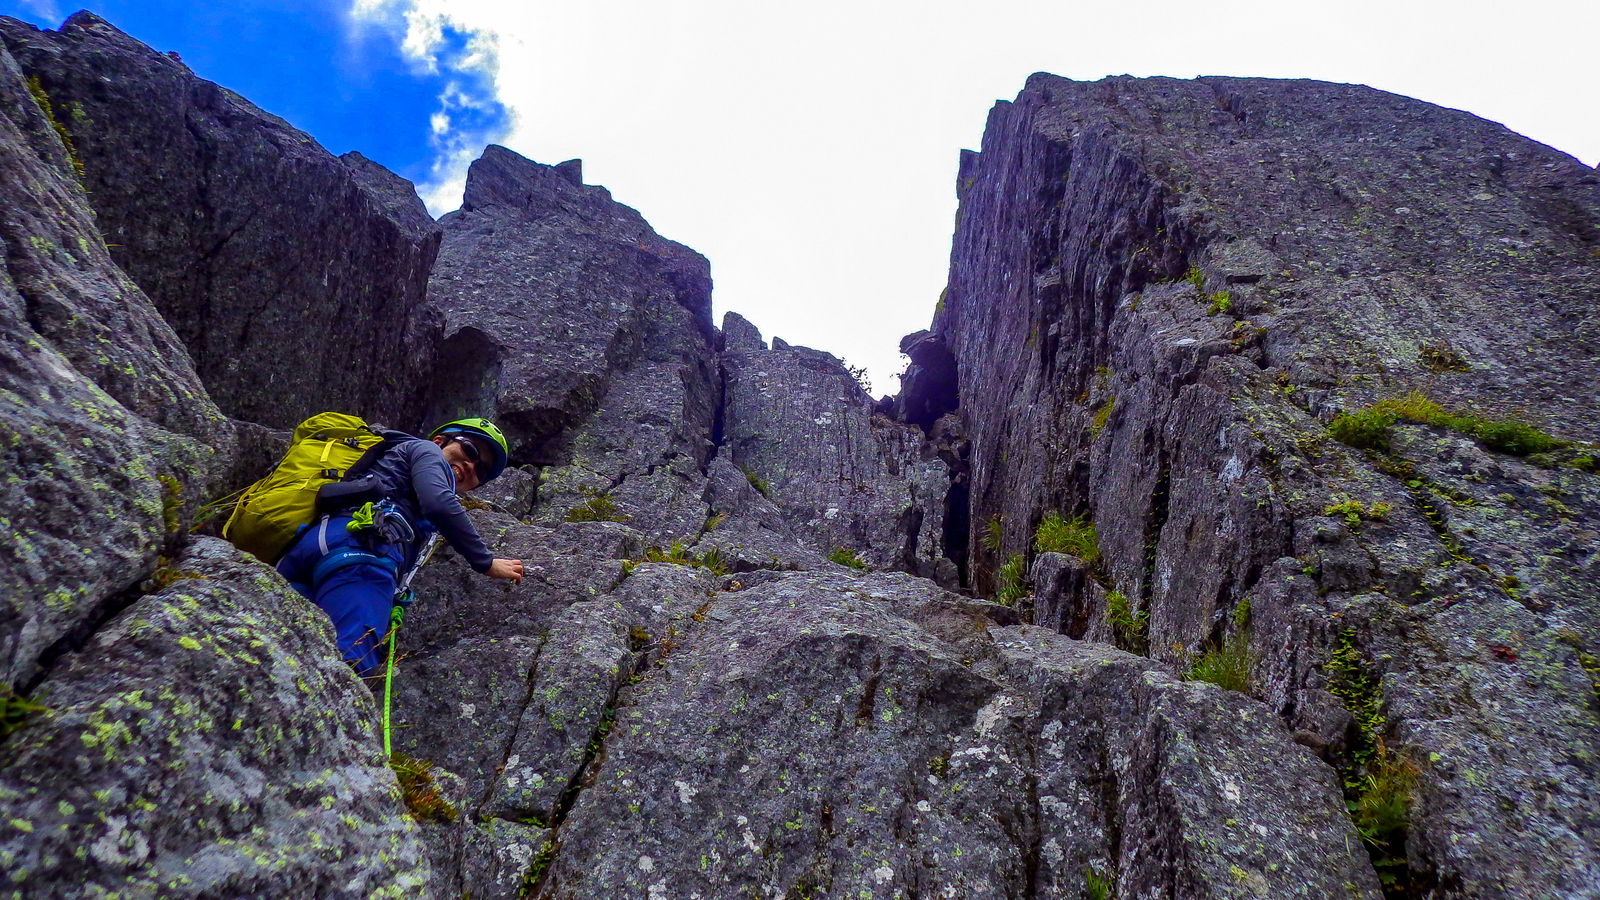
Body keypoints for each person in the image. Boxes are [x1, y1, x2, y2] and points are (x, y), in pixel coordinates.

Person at [276, 417, 525, 677]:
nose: (471, 465)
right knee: (348, 668)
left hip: (310, 546)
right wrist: (485, 562)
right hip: (363, 553)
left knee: (283, 651)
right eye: (470, 450)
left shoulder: (389, 463)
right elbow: (438, 503)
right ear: (439, 441)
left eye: (482, 471)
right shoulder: (426, 450)